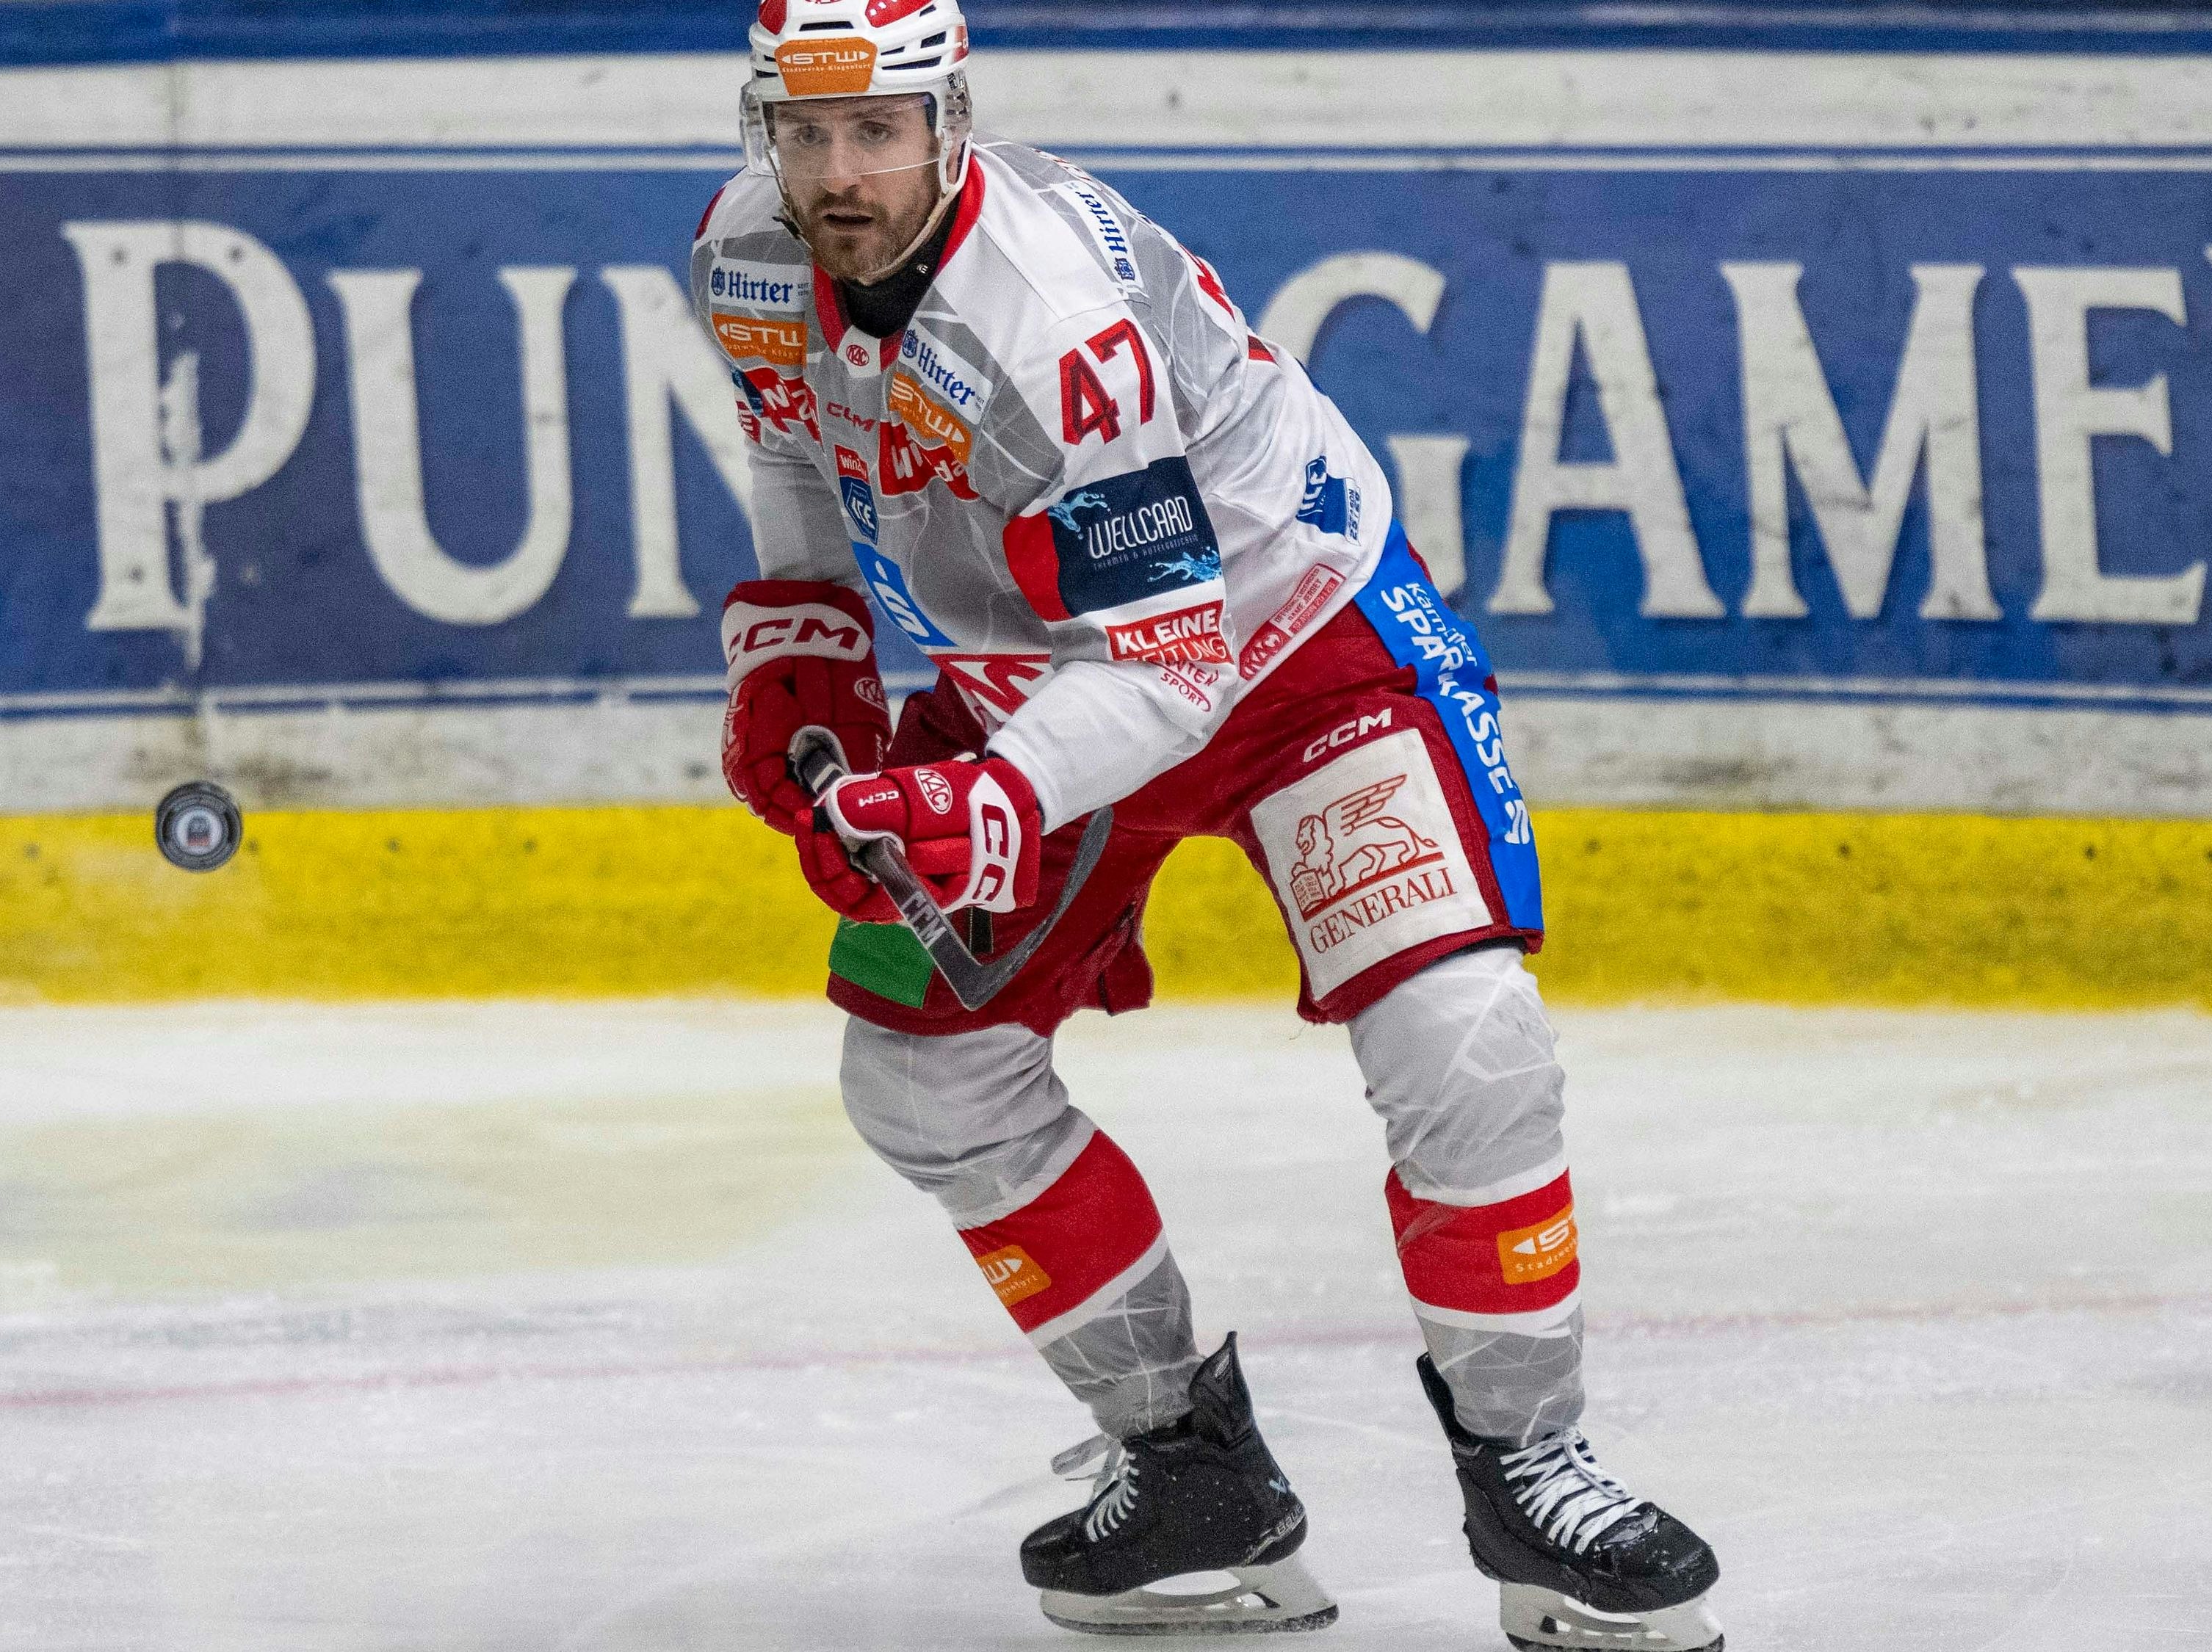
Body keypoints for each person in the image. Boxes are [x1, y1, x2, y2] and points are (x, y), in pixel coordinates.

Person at [697, 3, 1723, 1645]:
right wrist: (799, 655)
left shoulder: (1048, 324)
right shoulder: (744, 251)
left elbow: (1174, 669)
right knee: (920, 1076)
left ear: (949, 118)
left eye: (875, 131)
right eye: (804, 133)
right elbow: (799, 459)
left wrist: (985, 798)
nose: (839, 174)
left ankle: (1532, 1471)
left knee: (1461, 1030)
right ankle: (1182, 1468)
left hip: (1296, 641)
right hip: (1034, 661)